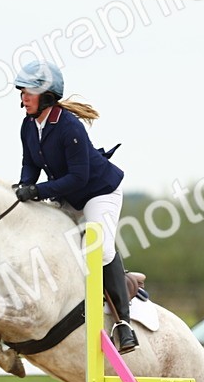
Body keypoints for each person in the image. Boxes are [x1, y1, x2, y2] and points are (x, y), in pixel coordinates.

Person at [11, 60, 138, 354]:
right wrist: (23, 188)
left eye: (27, 92)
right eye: (22, 92)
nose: (22, 98)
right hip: (68, 192)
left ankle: (123, 323)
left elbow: (79, 178)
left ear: (46, 95)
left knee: (99, 249)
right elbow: (30, 163)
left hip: (98, 192)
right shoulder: (29, 125)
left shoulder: (69, 126)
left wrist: (38, 190)